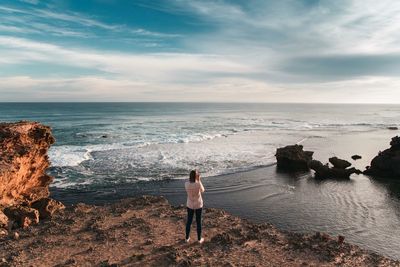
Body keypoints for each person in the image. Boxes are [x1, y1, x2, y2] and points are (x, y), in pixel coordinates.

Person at [185, 169, 205, 244]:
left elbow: (190, 184)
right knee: (198, 222)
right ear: (196, 176)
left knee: (189, 221)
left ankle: (187, 238)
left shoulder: (186, 184)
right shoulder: (198, 184)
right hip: (198, 204)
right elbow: (203, 190)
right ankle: (199, 239)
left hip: (190, 204)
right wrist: (199, 180)